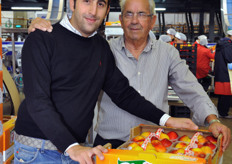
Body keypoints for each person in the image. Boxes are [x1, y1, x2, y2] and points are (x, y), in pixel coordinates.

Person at [29, 0, 231, 153]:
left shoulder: (165, 53)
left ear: (152, 20)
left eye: (142, 14)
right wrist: (44, 27)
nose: (135, 21)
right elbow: (40, 100)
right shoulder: (104, 49)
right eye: (129, 14)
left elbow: (189, 88)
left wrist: (205, 119)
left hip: (153, 142)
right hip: (100, 145)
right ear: (120, 19)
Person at [214, 30, 232, 119]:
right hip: (226, 74)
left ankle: (221, 112)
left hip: (220, 73)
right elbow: (230, 58)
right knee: (226, 95)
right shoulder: (228, 46)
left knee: (222, 96)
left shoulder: (221, 44)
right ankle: (223, 113)